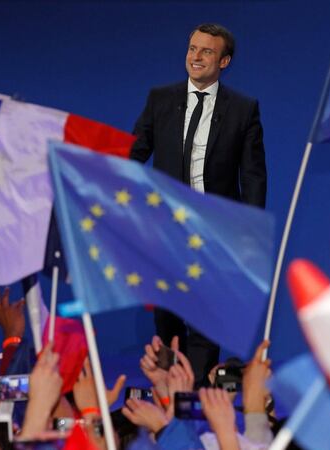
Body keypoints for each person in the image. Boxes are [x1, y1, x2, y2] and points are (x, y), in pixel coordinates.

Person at [130, 23, 267, 384]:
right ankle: (168, 394)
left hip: (215, 231)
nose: (196, 57)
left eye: (207, 51)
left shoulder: (243, 109)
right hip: (166, 229)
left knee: (207, 318)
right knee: (167, 318)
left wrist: (248, 233)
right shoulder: (161, 99)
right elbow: (133, 153)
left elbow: (253, 176)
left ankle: (196, 397)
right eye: (192, 48)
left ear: (224, 61)